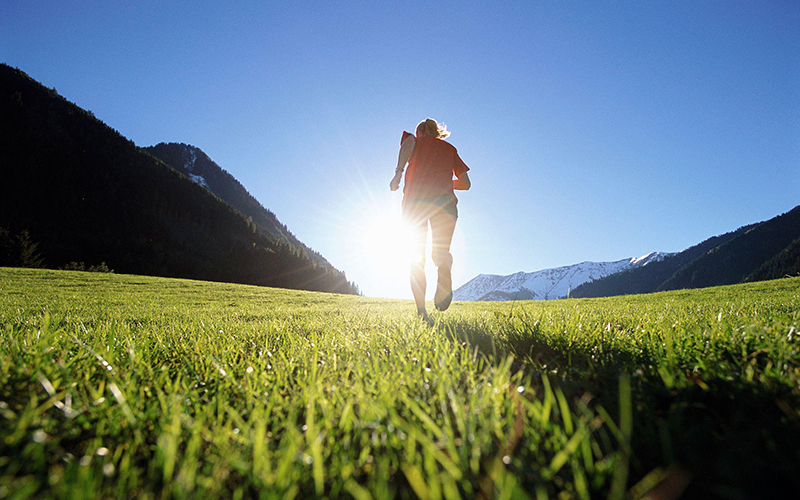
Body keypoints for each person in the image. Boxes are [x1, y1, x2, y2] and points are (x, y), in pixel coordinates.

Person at [390, 118, 471, 319]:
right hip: (445, 204)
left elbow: (408, 143)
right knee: (441, 252)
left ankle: (421, 311)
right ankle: (444, 270)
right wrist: (444, 182)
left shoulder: (413, 140)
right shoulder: (450, 149)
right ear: (437, 133)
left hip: (416, 202)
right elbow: (466, 183)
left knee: (416, 257)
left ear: (419, 132)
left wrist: (398, 173)